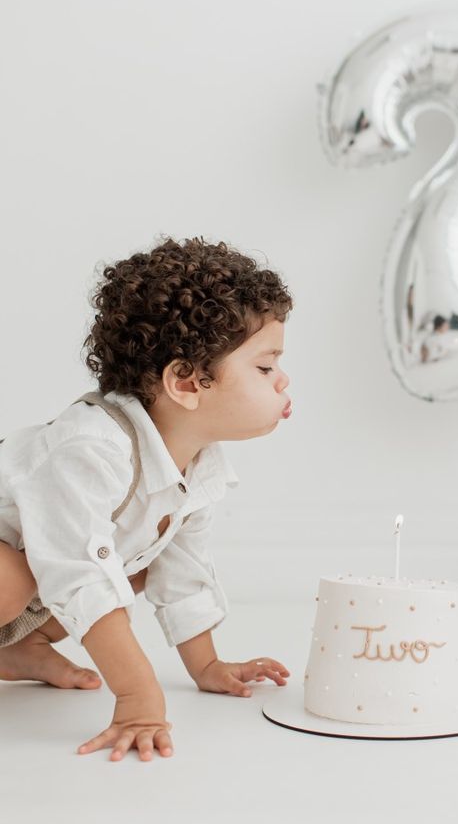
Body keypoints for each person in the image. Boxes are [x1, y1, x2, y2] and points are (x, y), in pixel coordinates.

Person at [0, 235, 293, 762]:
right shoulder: (91, 446)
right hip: (18, 568)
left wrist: (207, 667)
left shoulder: (198, 463)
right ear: (186, 381)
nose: (283, 380)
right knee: (18, 578)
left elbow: (180, 572)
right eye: (265, 367)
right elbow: (78, 575)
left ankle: (22, 649)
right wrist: (139, 699)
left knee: (135, 567)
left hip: (41, 579)